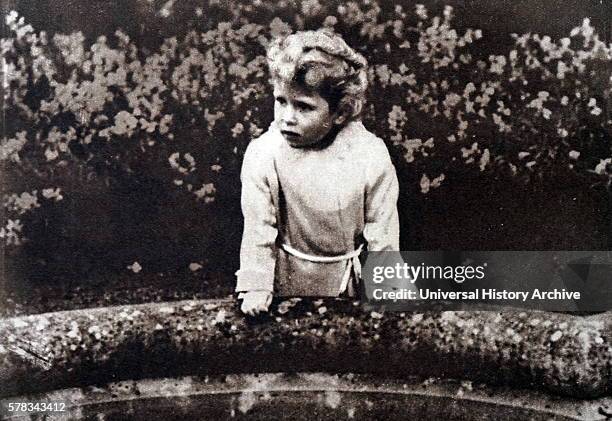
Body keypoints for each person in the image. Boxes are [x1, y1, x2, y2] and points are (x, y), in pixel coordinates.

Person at [236, 29, 399, 316]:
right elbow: (259, 228)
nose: (287, 117)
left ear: (339, 113)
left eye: (303, 107)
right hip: (285, 284)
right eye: (281, 101)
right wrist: (257, 285)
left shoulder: (370, 154)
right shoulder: (263, 154)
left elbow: (382, 229)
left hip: (348, 283)